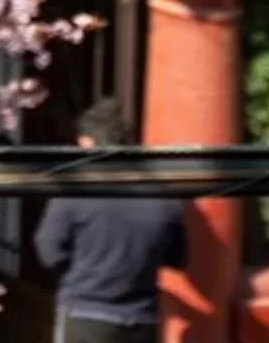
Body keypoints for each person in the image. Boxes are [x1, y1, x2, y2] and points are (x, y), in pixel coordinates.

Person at [33, 100, 185, 343]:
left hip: (85, 312)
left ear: (87, 142)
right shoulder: (163, 197)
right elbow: (177, 257)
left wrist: (86, 268)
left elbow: (48, 251)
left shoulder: (73, 193)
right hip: (141, 319)